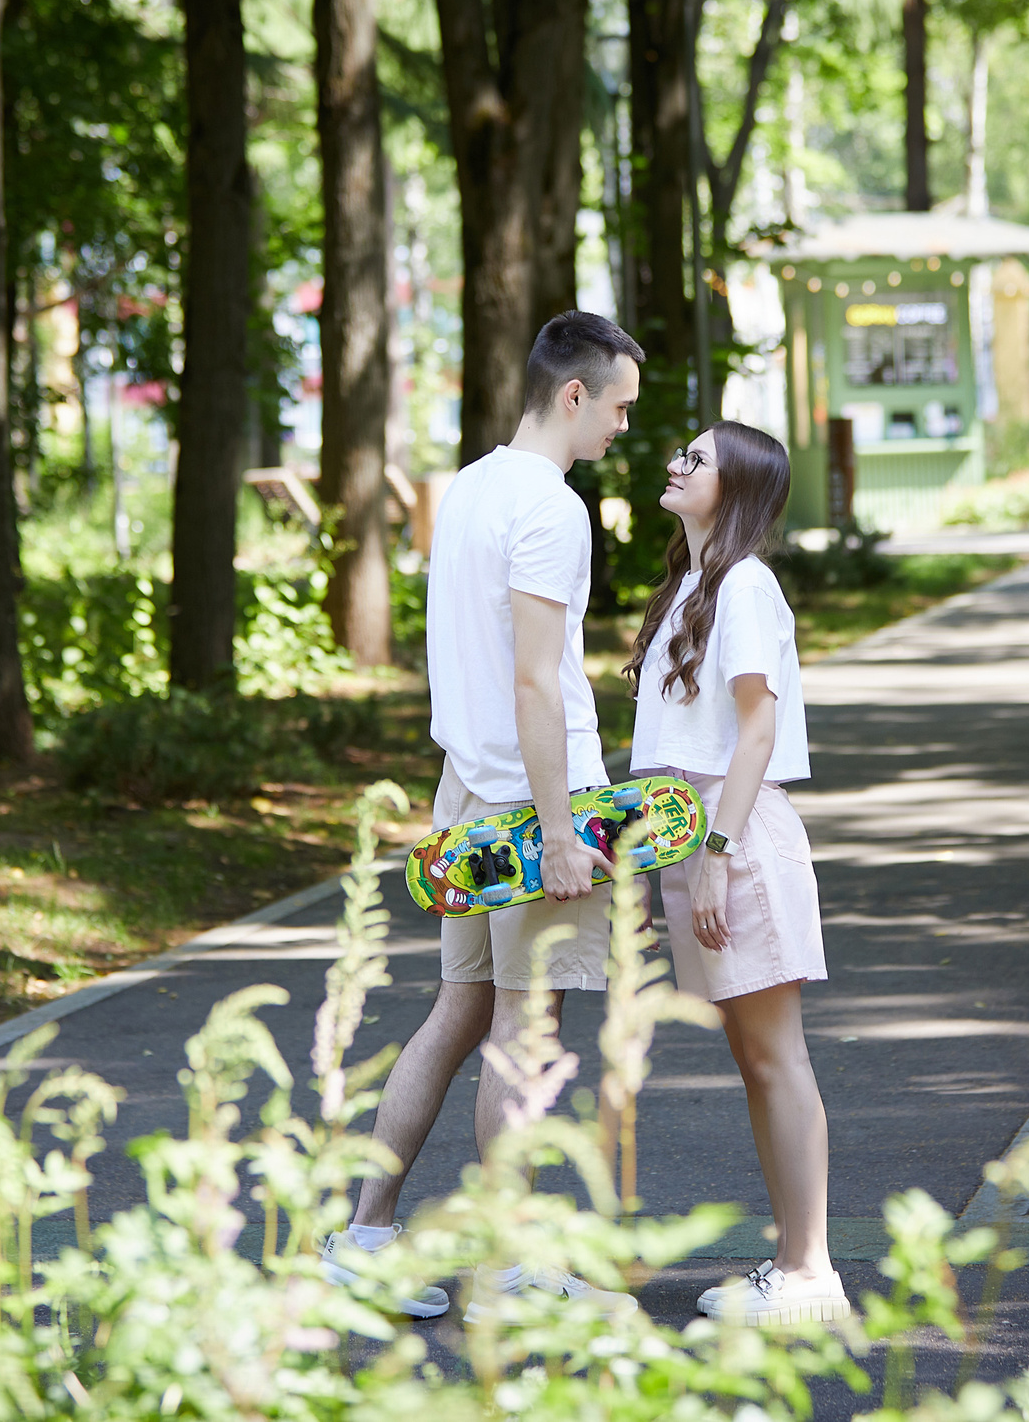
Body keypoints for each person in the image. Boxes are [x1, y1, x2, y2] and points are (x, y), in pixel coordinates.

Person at [319, 311, 644, 1324]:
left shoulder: (466, 487)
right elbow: (537, 684)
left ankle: (365, 1233)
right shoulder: (551, 510)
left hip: (464, 789)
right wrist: (559, 831)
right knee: (522, 1029)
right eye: (620, 407)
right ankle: (510, 1269)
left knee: (460, 1011)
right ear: (574, 394)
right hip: (526, 801)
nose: (625, 429)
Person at [627, 422, 843, 1326]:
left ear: (739, 486)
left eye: (697, 458)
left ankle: (810, 1272)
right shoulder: (692, 585)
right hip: (699, 836)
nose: (677, 465)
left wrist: (715, 852)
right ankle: (792, 1262)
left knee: (773, 1054)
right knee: (754, 1059)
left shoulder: (746, 585)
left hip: (736, 835)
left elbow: (756, 729)